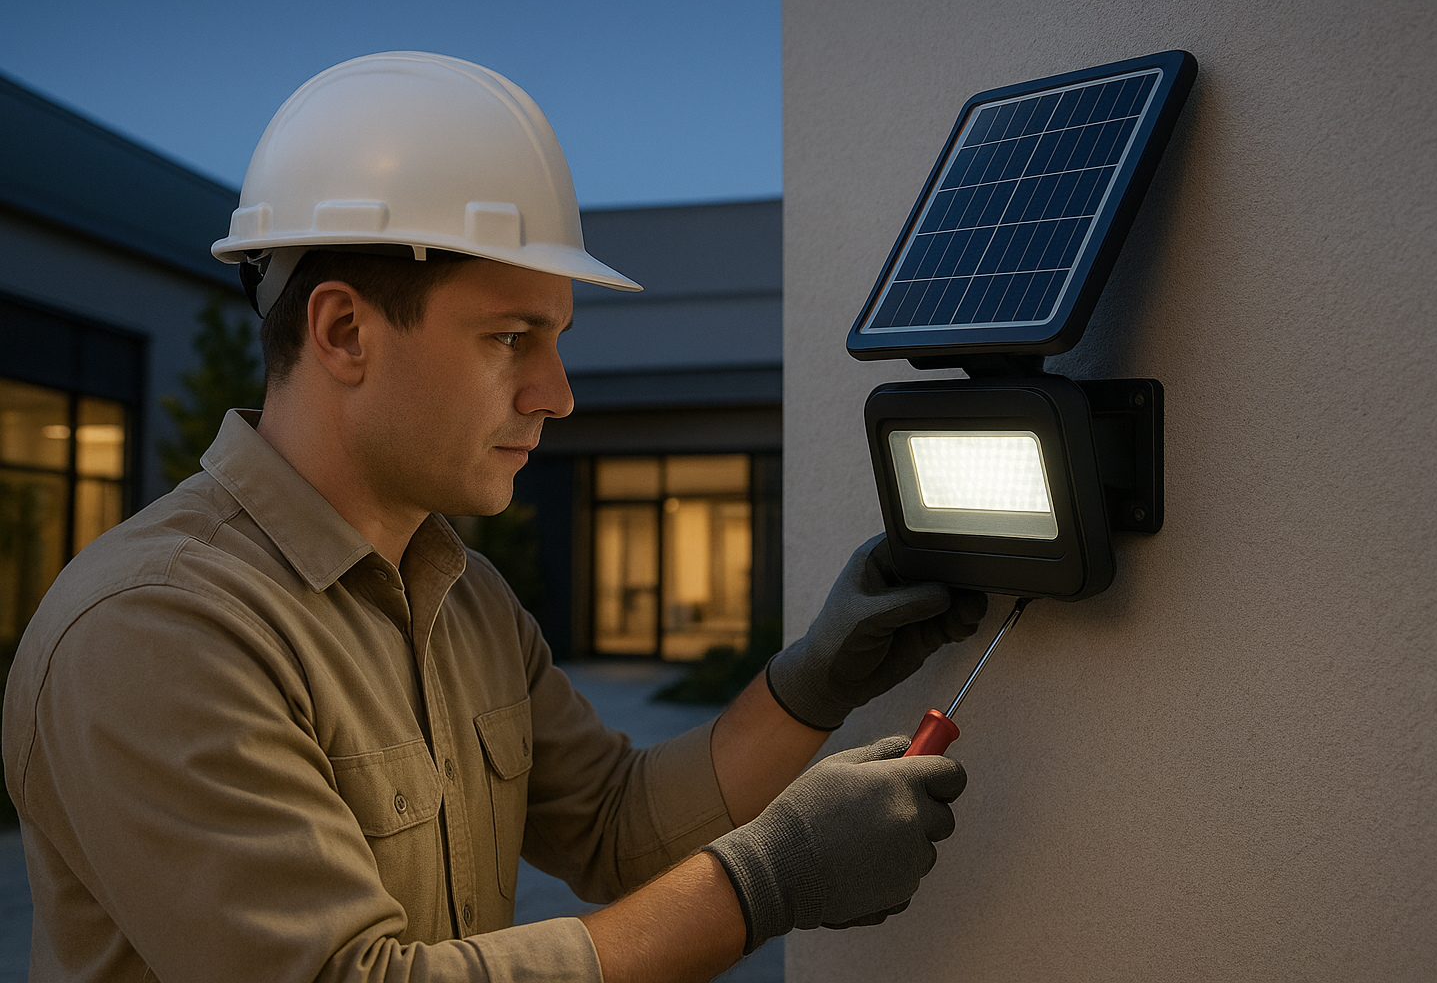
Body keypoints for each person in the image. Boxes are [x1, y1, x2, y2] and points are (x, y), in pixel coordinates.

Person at [2, 52, 987, 983]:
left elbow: (616, 824)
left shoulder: (466, 600)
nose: (556, 393)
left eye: (555, 338)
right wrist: (766, 878)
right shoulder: (156, 629)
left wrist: (814, 681)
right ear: (344, 330)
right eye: (510, 337)